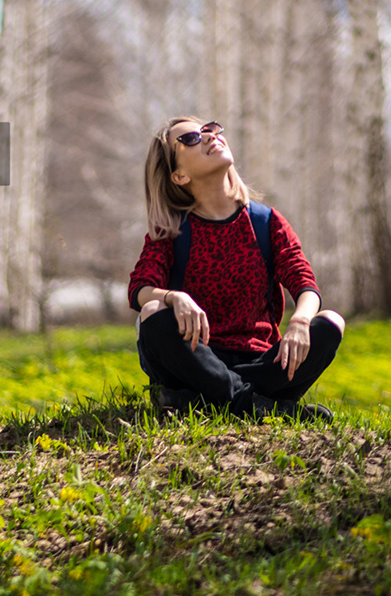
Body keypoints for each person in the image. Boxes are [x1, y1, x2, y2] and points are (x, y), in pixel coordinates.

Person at [128, 116, 346, 420]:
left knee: (330, 323)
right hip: (196, 360)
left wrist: (298, 321)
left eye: (210, 129)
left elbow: (305, 283)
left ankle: (204, 401)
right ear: (178, 176)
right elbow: (139, 289)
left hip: (262, 364)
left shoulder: (266, 222)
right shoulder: (171, 230)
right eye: (190, 138)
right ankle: (261, 406)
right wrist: (173, 297)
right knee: (152, 312)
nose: (207, 137)